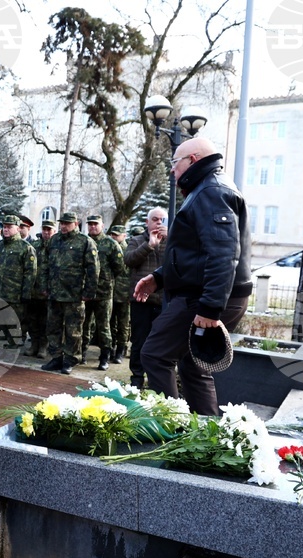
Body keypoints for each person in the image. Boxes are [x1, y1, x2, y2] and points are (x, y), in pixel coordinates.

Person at [134, 138, 252, 415]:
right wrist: (160, 277)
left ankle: (172, 426)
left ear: (193, 160)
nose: (172, 170)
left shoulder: (211, 191)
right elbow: (195, 253)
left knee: (155, 354)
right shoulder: (209, 188)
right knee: (192, 365)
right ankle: (205, 431)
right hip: (210, 293)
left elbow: (223, 253)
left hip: (202, 297)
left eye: (175, 163)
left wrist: (210, 307)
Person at [40, 211, 98, 375]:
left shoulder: (85, 241)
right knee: (53, 328)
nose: (64, 226)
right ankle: (56, 357)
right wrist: (44, 286)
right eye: (62, 223)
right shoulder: (54, 240)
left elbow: (93, 269)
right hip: (54, 293)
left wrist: (89, 291)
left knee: (73, 330)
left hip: (74, 295)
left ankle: (70, 359)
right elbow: (45, 264)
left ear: (76, 224)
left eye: (67, 223)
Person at [125, 208, 167, 388]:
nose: (158, 223)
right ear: (147, 222)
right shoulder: (136, 240)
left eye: (162, 220)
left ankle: (157, 379)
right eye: (155, 219)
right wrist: (149, 245)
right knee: (139, 341)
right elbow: (129, 260)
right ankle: (137, 377)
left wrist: (170, 239)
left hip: (164, 301)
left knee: (162, 342)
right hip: (141, 302)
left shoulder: (172, 241)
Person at [0, 214, 37, 350]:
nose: (6, 229)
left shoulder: (26, 248)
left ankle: (13, 349)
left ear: (18, 228)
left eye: (9, 227)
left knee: (14, 325)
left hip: (14, 295)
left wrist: (26, 294)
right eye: (5, 227)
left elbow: (30, 274)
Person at [81, 214, 123, 370]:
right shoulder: (83, 242)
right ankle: (81, 354)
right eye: (90, 224)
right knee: (83, 325)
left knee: (104, 327)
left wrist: (106, 279)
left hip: (103, 293)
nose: (93, 227)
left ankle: (104, 357)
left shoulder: (110, 244)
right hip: (85, 292)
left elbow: (119, 267)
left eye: (95, 224)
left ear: (102, 226)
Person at [24, 220, 55, 358]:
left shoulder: (56, 246)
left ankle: (43, 346)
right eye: (44, 229)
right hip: (34, 290)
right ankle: (34, 344)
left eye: (49, 230)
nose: (46, 232)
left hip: (48, 291)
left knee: (45, 321)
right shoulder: (34, 245)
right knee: (32, 320)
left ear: (54, 231)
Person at [107, 224, 130, 365]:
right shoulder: (109, 249)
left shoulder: (129, 251)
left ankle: (121, 349)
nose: (114, 237)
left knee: (123, 324)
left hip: (124, 293)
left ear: (124, 236)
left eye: (117, 235)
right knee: (110, 323)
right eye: (112, 235)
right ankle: (111, 348)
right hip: (110, 292)